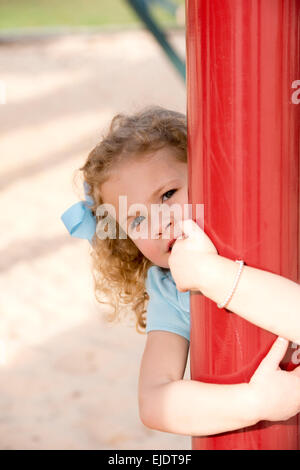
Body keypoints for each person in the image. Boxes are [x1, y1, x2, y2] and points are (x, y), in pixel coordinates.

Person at [61, 106, 300, 437]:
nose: (160, 223)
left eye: (167, 195)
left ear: (210, 173)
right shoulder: (168, 289)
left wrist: (208, 274)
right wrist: (255, 401)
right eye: (137, 220)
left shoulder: (279, 226)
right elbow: (154, 401)